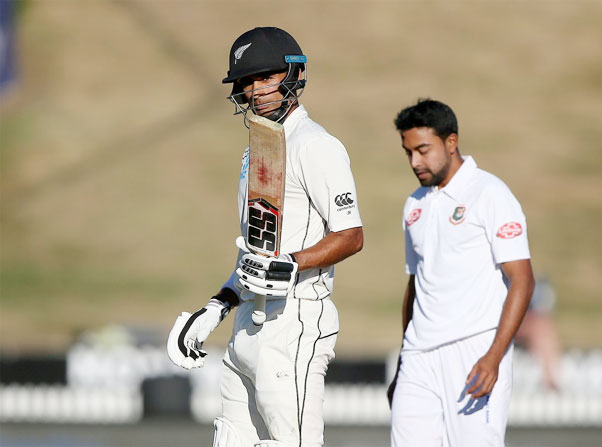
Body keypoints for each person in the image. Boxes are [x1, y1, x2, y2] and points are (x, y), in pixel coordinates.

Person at [166, 27, 364, 447]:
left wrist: (292, 262)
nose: (255, 90)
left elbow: (350, 235)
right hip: (246, 328)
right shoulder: (256, 147)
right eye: (247, 81)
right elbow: (256, 251)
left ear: (293, 74)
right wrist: (217, 306)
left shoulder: (316, 145)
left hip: (292, 322)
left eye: (265, 77)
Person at [387, 99, 535, 446]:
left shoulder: (490, 193)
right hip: (418, 359)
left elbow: (522, 281)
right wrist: (403, 364)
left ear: (451, 142)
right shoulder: (414, 205)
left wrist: (494, 357)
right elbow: (416, 284)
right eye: (408, 152)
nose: (415, 162)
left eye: (423, 150)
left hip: (474, 353)